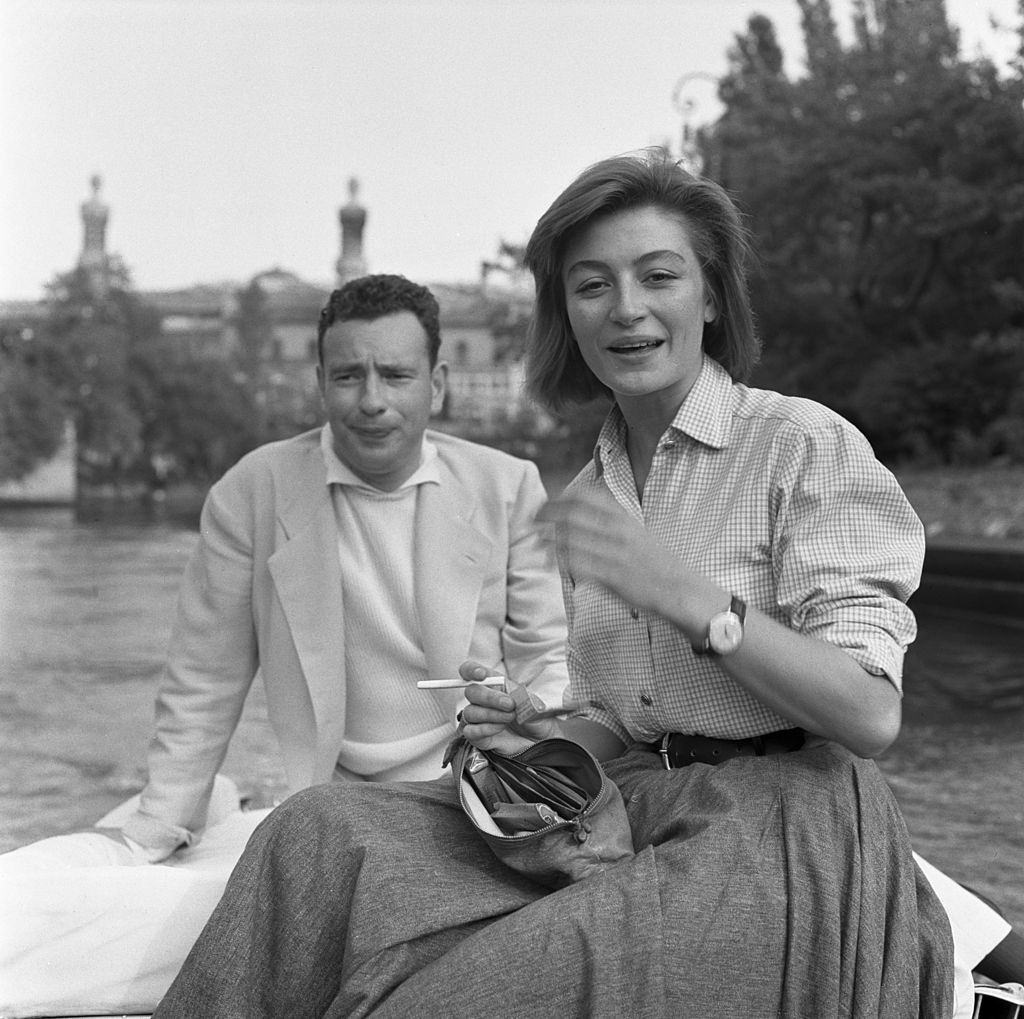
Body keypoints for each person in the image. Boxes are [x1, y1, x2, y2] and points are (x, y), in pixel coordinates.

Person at [150, 150, 964, 1018]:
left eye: (659, 276)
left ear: (712, 297)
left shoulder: (801, 444)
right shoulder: (590, 492)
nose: (627, 309)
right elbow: (624, 720)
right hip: (631, 805)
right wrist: (540, 729)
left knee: (438, 1002)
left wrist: (692, 599)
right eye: (591, 286)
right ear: (565, 314)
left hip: (784, 828)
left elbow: (871, 713)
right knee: (310, 832)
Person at [0, 273, 568, 1016]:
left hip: (468, 799)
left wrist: (527, 713)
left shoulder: (507, 485)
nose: (371, 400)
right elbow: (204, 679)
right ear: (319, 381)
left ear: (439, 382)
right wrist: (159, 824)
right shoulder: (253, 490)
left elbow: (548, 662)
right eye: (348, 375)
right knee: (86, 905)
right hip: (323, 808)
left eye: (396, 375)